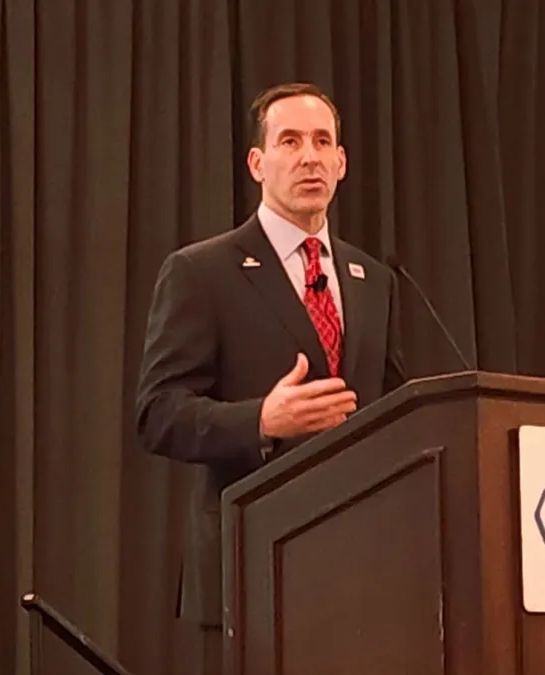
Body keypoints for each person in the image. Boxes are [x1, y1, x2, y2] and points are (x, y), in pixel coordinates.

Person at [133, 82, 407, 674]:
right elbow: (157, 413)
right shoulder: (202, 272)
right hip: (248, 564)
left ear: (341, 162)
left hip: (360, 568)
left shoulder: (372, 278)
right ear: (258, 163)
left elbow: (391, 407)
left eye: (322, 141)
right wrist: (261, 419)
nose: (309, 156)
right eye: (289, 141)